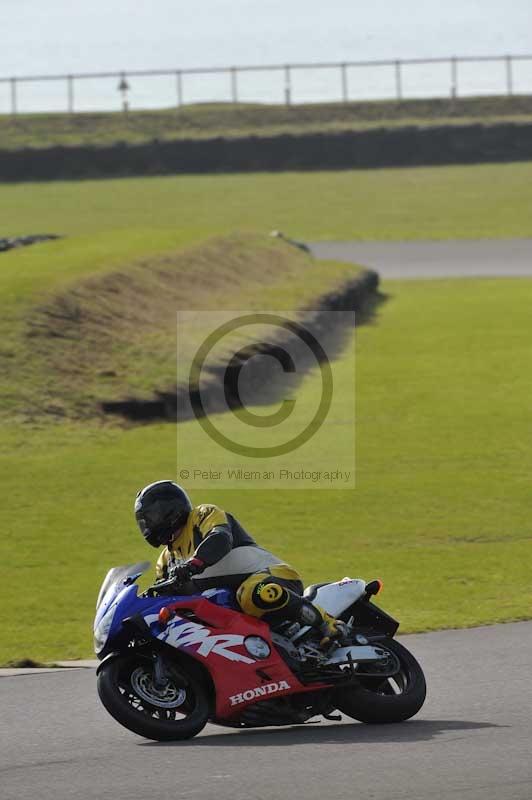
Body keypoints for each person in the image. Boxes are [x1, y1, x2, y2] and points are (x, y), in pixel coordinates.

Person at [134, 480, 344, 648]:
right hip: (233, 609)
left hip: (270, 577)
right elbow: (162, 596)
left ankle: (326, 623)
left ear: (170, 509)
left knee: (254, 593)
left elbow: (220, 537)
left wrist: (194, 563)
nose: (148, 525)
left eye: (152, 516)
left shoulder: (201, 515)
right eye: (144, 520)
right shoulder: (165, 560)